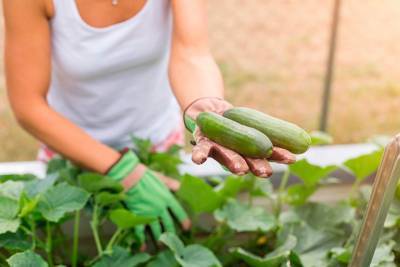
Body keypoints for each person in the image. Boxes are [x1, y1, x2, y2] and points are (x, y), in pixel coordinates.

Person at [3, 0, 295, 244]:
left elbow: (192, 53)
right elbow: (28, 105)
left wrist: (202, 104)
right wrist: (121, 168)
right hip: (71, 151)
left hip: (157, 143)